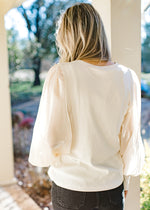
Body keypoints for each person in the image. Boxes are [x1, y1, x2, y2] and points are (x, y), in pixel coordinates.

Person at [28, 2, 145, 210]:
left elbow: (51, 140)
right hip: (111, 188)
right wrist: (126, 180)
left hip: (70, 187)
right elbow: (129, 138)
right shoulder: (128, 77)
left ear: (68, 36)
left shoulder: (61, 74)